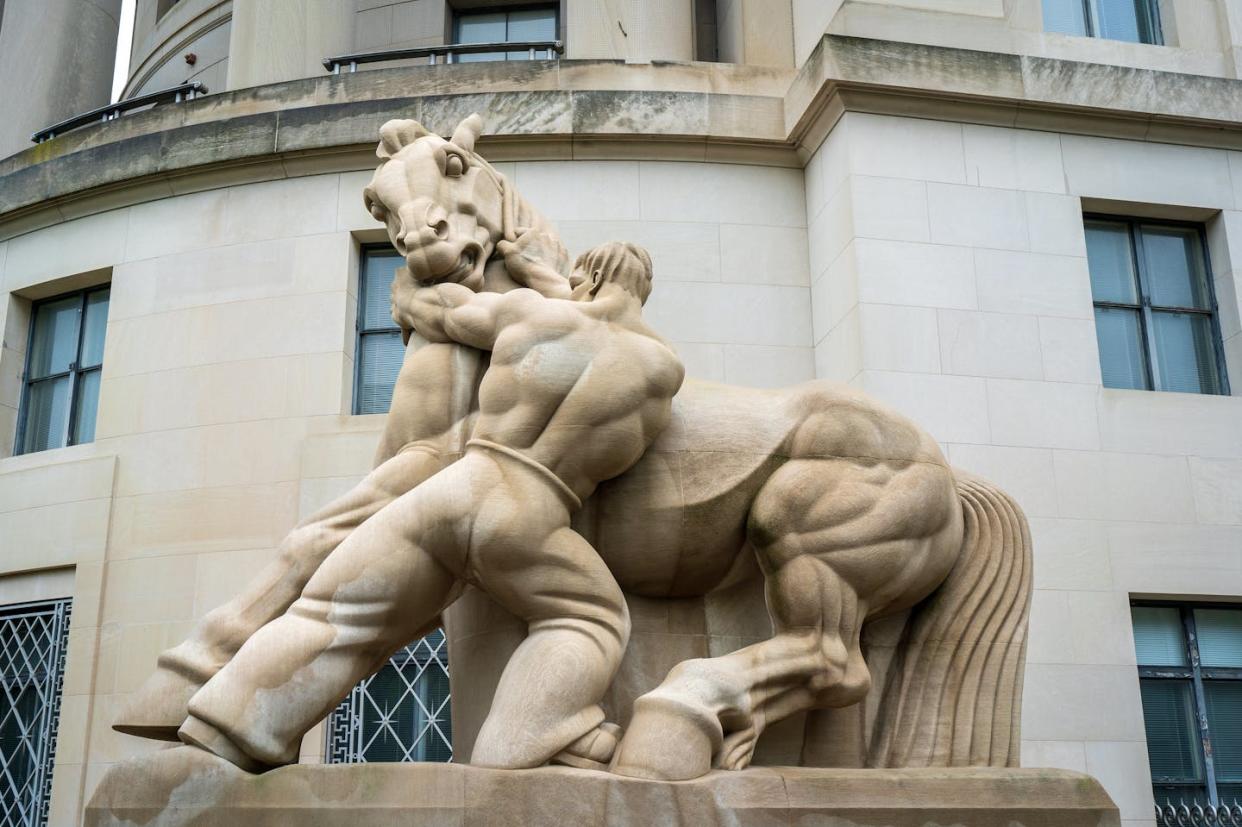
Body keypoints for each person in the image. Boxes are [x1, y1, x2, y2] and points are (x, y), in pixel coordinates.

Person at [177, 242, 686, 773]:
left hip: (452, 489)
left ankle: (230, 722)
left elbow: (438, 311)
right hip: (532, 510)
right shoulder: (659, 366)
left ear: (590, 276)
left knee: (330, 610)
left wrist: (410, 288)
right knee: (593, 615)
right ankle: (524, 736)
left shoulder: (530, 313)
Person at [113, 227, 570, 741]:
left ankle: (225, 701)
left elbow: (473, 321)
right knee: (582, 618)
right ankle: (231, 713)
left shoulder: (547, 320)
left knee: (340, 599)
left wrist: (420, 296)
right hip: (520, 492)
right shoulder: (625, 350)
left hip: (487, 476)